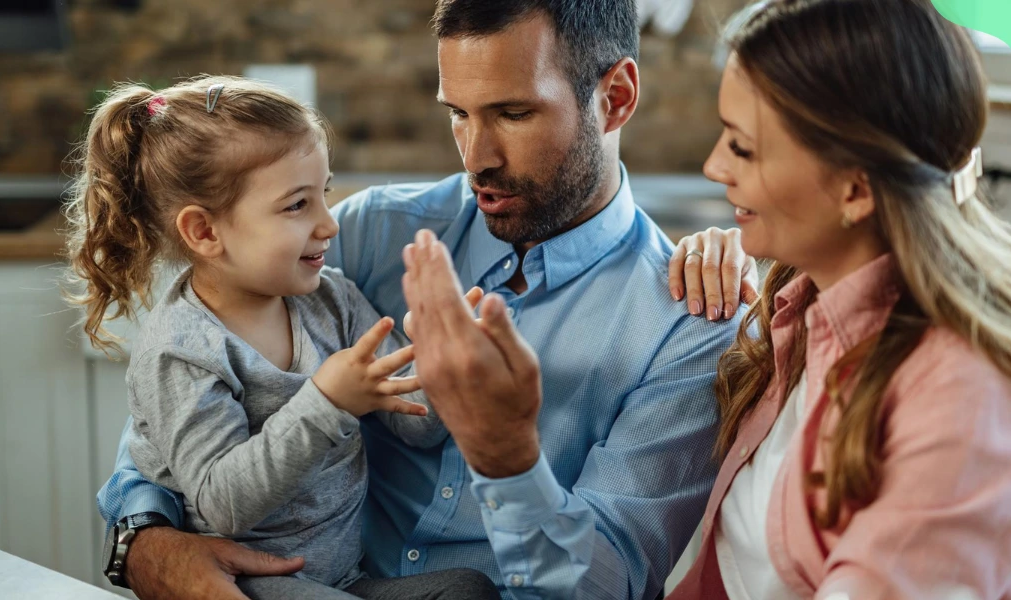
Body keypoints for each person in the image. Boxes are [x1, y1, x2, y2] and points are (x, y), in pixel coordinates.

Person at [94, 2, 755, 599]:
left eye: (514, 113)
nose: (477, 157)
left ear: (615, 97)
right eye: (458, 114)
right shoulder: (373, 231)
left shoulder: (686, 325)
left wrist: (507, 459)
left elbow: (606, 587)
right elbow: (183, 405)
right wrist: (142, 537)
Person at [660, 1, 1011, 598]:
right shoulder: (807, 305)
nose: (714, 165)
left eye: (742, 147)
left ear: (855, 189)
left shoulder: (971, 400)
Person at [64, 76, 500, 600]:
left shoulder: (330, 299)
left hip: (344, 581)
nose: (328, 224)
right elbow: (220, 502)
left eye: (324, 194)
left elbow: (416, 427)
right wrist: (328, 402)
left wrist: (441, 364)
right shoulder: (181, 350)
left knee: (467, 590)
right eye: (297, 205)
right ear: (204, 232)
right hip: (248, 582)